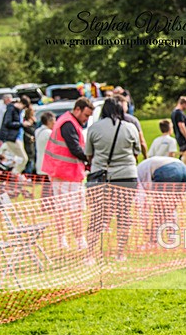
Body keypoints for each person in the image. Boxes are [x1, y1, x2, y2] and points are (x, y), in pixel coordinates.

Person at [85, 97, 141, 260]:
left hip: (102, 176)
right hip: (127, 175)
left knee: (97, 215)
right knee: (124, 214)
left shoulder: (94, 128)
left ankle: (91, 254)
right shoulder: (130, 128)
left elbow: (89, 154)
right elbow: (136, 152)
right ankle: (120, 253)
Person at [41, 98, 94, 250]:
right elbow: (75, 149)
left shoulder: (66, 121)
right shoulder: (68, 124)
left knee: (62, 209)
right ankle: (78, 241)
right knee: (75, 209)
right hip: (67, 173)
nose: (86, 119)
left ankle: (62, 241)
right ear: (77, 110)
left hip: (61, 171)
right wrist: (91, 159)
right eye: (86, 115)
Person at [0, 97, 26, 173]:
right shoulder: (11, 109)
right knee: (23, 159)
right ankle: (13, 175)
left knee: (14, 160)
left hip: (16, 138)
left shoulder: (17, 111)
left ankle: (13, 174)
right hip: (11, 138)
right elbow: (7, 123)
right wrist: (21, 124)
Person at [34, 111, 55, 175]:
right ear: (49, 122)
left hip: (39, 164)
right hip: (48, 166)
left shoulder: (37, 131)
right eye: (54, 121)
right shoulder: (49, 133)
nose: (55, 123)